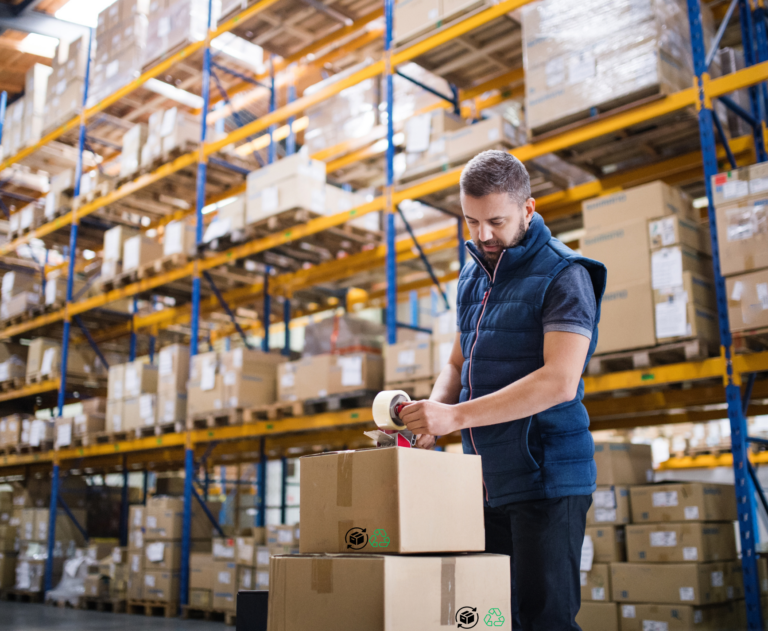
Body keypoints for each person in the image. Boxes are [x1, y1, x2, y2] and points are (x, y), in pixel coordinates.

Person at [400, 150, 607, 631]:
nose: (483, 235)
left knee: (544, 621)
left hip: (547, 480)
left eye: (496, 221)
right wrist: (432, 412)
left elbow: (559, 381)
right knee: (493, 617)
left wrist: (455, 417)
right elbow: (457, 361)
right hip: (488, 482)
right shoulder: (473, 273)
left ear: (528, 210)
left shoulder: (566, 275)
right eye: (471, 221)